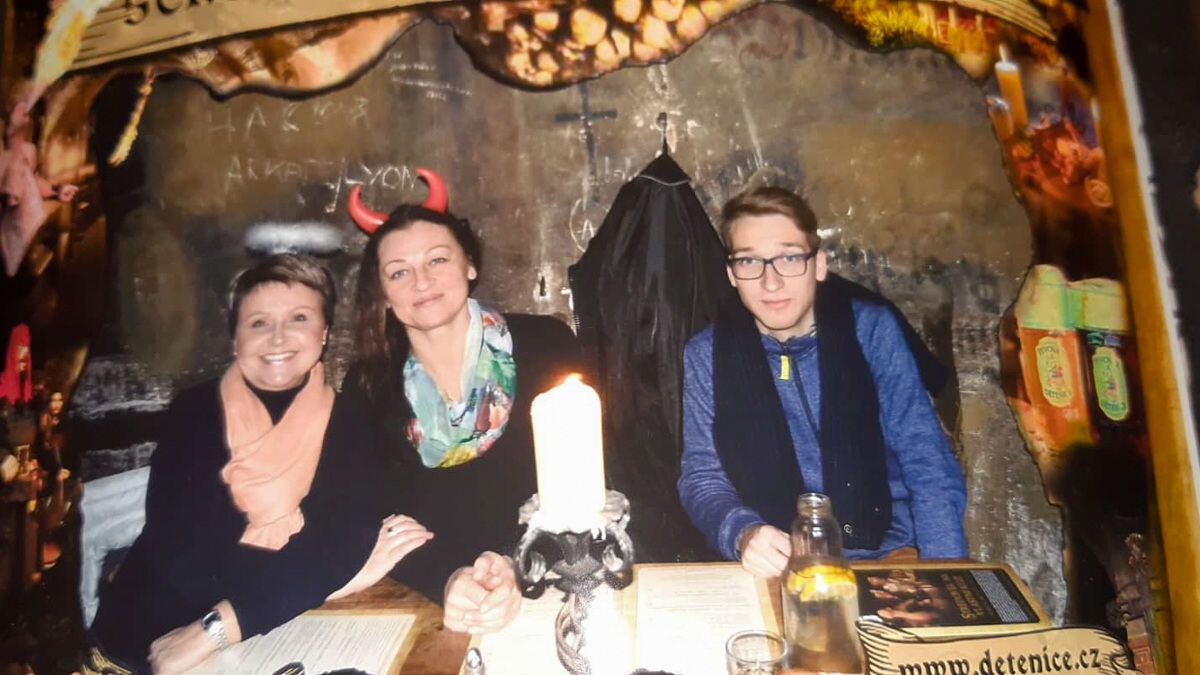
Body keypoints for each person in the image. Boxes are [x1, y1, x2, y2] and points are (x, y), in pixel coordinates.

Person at [87, 254, 433, 674]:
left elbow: (342, 538)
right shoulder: (194, 412)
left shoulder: (350, 419)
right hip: (142, 647)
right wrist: (329, 580)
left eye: (299, 318)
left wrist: (216, 629)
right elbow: (188, 563)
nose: (278, 337)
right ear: (236, 337)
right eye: (259, 323)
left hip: (255, 639)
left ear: (324, 333)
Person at [678, 186, 968, 579]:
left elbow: (927, 460)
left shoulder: (870, 330)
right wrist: (742, 533)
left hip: (889, 553)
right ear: (732, 274)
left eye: (789, 258)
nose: (771, 282)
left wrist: (946, 573)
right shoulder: (706, 354)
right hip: (778, 562)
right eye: (749, 261)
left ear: (818, 265)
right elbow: (702, 475)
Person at [342, 173, 581, 635]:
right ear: (384, 295)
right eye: (399, 272)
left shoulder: (546, 346)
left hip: (549, 583)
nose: (422, 281)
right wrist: (446, 579)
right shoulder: (369, 386)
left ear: (469, 265)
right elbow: (374, 514)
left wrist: (518, 564)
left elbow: (588, 482)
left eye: (437, 259)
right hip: (437, 603)